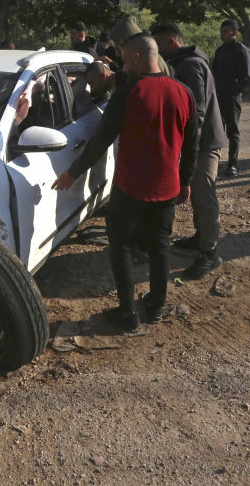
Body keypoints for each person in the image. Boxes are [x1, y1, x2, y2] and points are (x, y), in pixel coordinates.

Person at [52, 34, 197, 331]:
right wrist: (185, 182)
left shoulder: (128, 94)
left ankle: (128, 313)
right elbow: (192, 143)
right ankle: (156, 306)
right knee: (159, 248)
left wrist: (73, 172)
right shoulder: (183, 92)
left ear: (136, 58)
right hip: (167, 187)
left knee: (120, 249)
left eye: (123, 57)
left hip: (131, 188)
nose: (121, 63)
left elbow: (101, 140)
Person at [152, 22, 227, 277]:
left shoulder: (191, 65)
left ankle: (210, 252)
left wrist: (187, 147)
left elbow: (197, 111)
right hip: (200, 141)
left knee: (204, 194)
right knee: (196, 191)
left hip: (203, 143)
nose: (158, 50)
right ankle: (201, 237)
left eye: (159, 43)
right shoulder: (186, 63)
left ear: (171, 41)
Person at [212, 19, 250, 176]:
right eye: (221, 31)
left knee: (232, 131)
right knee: (217, 130)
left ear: (234, 33)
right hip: (218, 96)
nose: (222, 34)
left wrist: (233, 93)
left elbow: (246, 79)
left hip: (232, 97)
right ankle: (215, 162)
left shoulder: (242, 51)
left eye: (226, 31)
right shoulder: (220, 50)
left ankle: (232, 164)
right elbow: (214, 72)